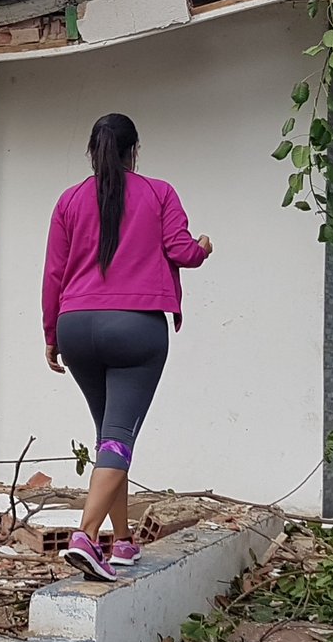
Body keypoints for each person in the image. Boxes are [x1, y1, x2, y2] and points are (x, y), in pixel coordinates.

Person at [42, 113, 212, 583]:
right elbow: (181, 250)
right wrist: (204, 247)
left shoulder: (69, 200)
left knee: (108, 439)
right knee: (119, 434)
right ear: (133, 150)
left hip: (76, 326)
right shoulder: (158, 192)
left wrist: (51, 335)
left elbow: (54, 272)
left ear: (93, 150)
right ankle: (85, 536)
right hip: (134, 328)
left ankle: (121, 543)